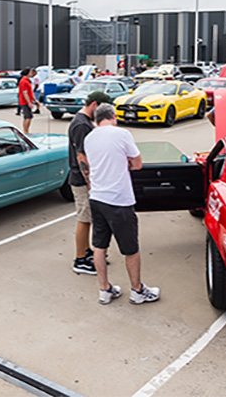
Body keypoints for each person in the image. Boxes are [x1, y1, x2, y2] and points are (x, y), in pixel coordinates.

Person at [83, 103, 160, 305]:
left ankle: (104, 289)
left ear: (97, 119)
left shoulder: (89, 137)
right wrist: (123, 162)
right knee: (130, 248)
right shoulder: (122, 133)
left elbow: (93, 163)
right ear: (113, 116)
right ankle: (137, 290)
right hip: (118, 199)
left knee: (99, 245)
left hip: (97, 197)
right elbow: (137, 164)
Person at [68, 91, 112, 275]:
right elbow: (81, 156)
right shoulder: (81, 125)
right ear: (94, 104)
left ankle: (87, 252)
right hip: (81, 180)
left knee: (88, 218)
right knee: (84, 219)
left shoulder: (85, 122)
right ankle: (80, 260)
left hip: (85, 179)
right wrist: (89, 182)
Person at [18, 67, 37, 134]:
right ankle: (25, 131)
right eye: (30, 72)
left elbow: (30, 92)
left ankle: (26, 130)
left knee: (27, 116)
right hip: (24, 101)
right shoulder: (24, 81)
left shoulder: (27, 81)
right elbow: (25, 93)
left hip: (27, 101)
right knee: (28, 117)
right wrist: (29, 102)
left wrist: (35, 100)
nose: (31, 74)